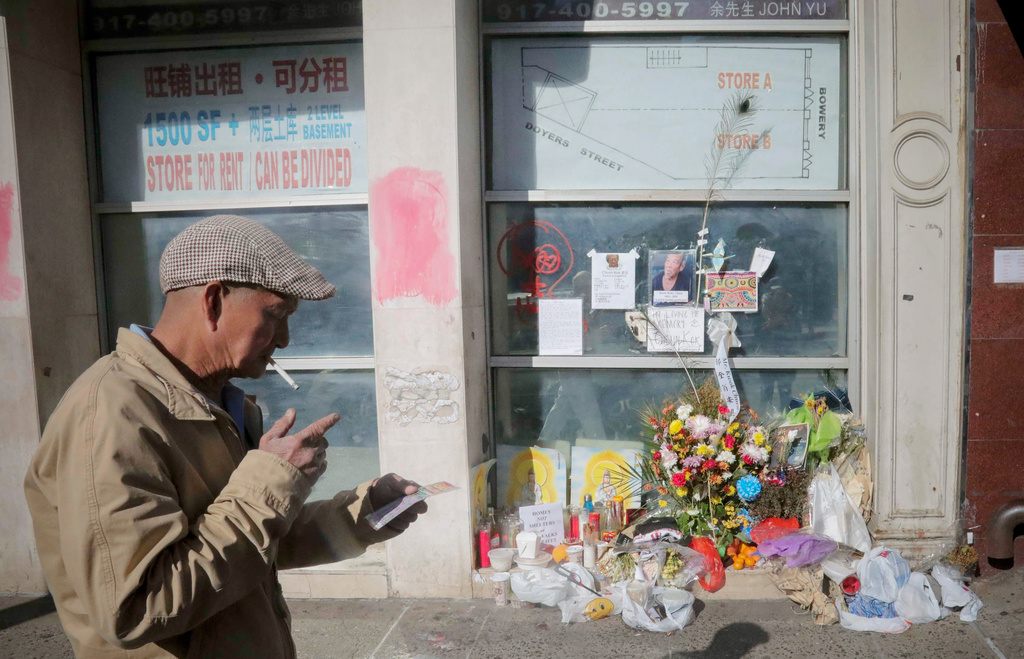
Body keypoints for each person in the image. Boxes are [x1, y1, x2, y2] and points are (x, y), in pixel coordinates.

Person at [23, 215, 427, 659]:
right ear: (213, 300)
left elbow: (254, 546)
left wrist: (363, 513)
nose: (287, 339)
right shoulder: (111, 414)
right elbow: (137, 609)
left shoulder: (218, 403)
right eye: (276, 315)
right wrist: (272, 482)